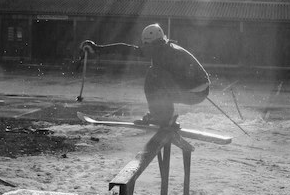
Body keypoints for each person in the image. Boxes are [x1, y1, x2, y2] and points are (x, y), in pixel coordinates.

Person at [78, 24, 210, 127]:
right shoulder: (167, 47)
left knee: (153, 74)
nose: (144, 47)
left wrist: (98, 49)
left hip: (193, 92)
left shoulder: (158, 48)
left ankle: (162, 117)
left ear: (150, 42)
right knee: (159, 80)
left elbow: (127, 49)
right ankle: (163, 116)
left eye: (145, 44)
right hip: (200, 91)